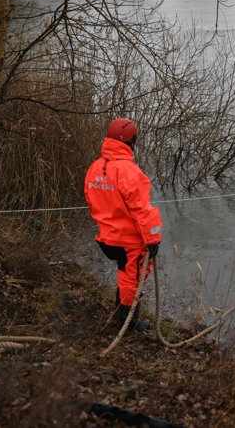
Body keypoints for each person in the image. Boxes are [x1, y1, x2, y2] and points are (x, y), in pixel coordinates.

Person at [84, 118, 163, 331]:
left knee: (125, 274)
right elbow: (143, 212)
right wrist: (154, 240)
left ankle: (121, 317)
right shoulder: (130, 172)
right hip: (128, 243)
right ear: (132, 141)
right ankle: (127, 325)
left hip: (106, 239)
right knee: (131, 279)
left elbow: (91, 201)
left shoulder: (95, 168)